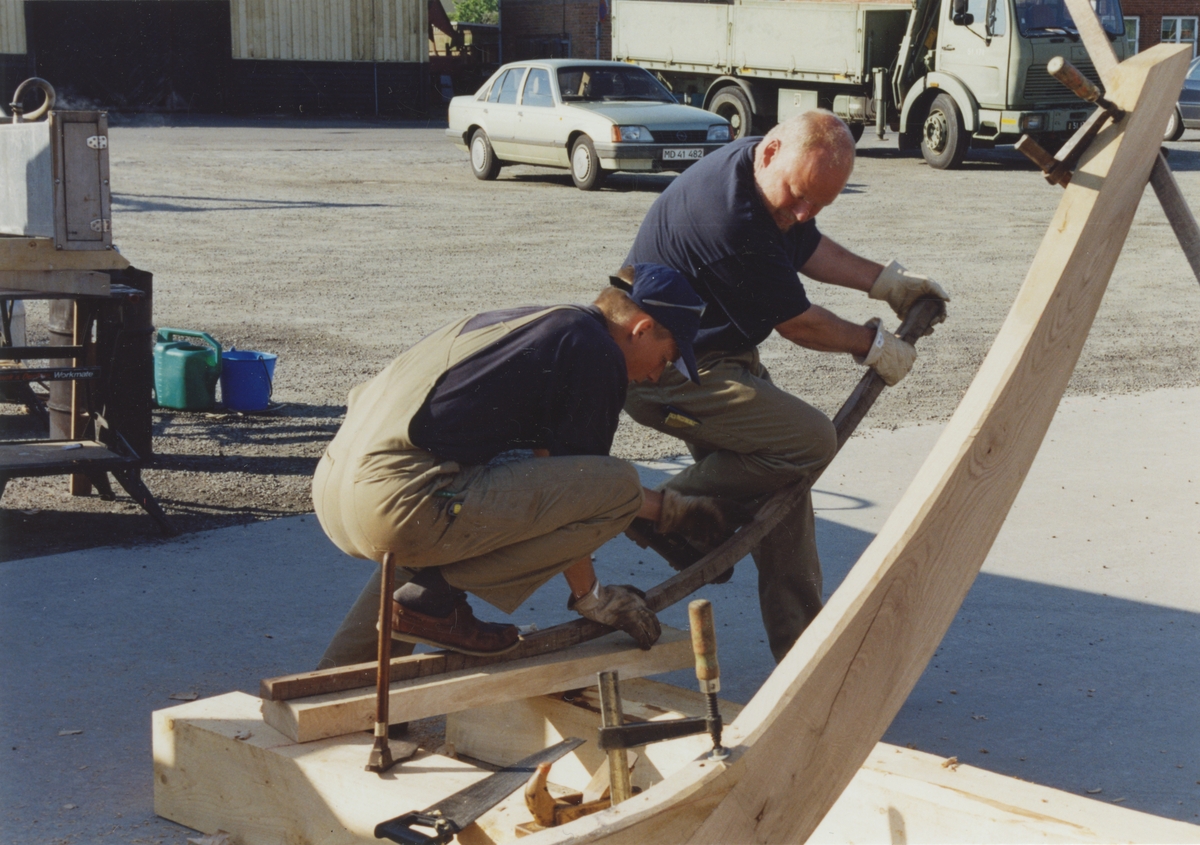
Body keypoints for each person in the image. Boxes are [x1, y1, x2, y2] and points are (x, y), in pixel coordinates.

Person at [623, 109, 950, 663]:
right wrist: (871, 346)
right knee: (809, 441)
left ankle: (802, 658)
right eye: (799, 198)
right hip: (664, 370)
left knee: (785, 493)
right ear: (772, 152)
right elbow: (797, 322)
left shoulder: (767, 173)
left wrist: (886, 283)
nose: (803, 213)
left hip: (719, 355)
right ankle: (658, 510)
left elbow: (806, 244)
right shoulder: (729, 219)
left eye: (819, 205)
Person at [312, 264, 744, 666]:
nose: (655, 376)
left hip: (341, 491)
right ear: (642, 328)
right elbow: (586, 487)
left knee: (437, 537)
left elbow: (544, 471)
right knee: (620, 484)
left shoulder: (531, 325)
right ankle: (436, 599)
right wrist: (593, 597)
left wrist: (663, 512)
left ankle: (335, 686)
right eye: (665, 359)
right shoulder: (594, 351)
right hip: (399, 502)